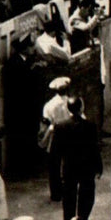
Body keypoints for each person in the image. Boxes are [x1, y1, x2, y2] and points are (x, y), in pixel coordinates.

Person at [51, 97, 103, 220]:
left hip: (69, 168)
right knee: (86, 196)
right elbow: (95, 149)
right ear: (81, 108)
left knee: (69, 198)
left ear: (68, 110)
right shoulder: (90, 126)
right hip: (86, 167)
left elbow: (56, 152)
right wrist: (99, 166)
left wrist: (55, 172)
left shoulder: (60, 126)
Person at [40, 76, 71, 207]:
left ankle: (56, 194)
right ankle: (69, 189)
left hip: (55, 136)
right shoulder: (72, 102)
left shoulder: (49, 105)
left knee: (54, 166)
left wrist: (42, 137)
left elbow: (45, 124)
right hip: (70, 136)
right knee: (69, 163)